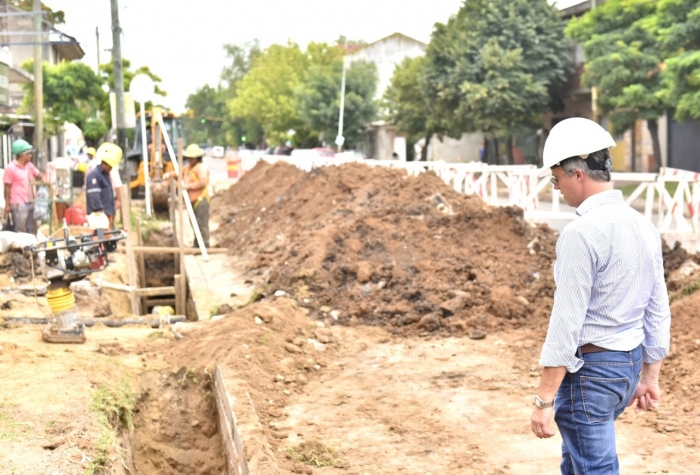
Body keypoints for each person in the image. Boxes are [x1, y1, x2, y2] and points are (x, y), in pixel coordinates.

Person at [530, 117, 671, 474]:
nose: (556, 187)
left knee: (595, 468)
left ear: (577, 174)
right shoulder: (642, 225)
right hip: (627, 367)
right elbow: (657, 307)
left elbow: (566, 322)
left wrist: (543, 399)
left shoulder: (581, 233)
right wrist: (649, 375)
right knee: (576, 464)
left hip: (591, 374)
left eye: (556, 178)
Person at [165, 144, 210, 247]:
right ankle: (197, 243)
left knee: (201, 223)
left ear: (197, 158)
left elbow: (203, 182)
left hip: (200, 200)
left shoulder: (201, 168)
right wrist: (169, 174)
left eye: (191, 158)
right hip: (192, 201)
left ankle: (204, 244)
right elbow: (178, 173)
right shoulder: (188, 168)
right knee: (194, 222)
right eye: (188, 158)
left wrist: (187, 186)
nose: (189, 160)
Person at [3, 139, 42, 234]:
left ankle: (32, 248)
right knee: (21, 230)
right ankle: (22, 249)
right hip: (18, 204)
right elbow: (7, 188)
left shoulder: (29, 166)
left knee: (32, 229)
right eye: (28, 153)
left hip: (30, 201)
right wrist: (7, 205)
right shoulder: (11, 168)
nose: (30, 156)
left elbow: (40, 176)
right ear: (22, 155)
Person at [85, 143, 122, 229]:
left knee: (109, 239)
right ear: (105, 164)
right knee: (101, 239)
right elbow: (94, 195)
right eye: (110, 167)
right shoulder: (94, 175)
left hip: (108, 214)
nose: (111, 169)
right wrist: (101, 213)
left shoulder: (105, 175)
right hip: (100, 218)